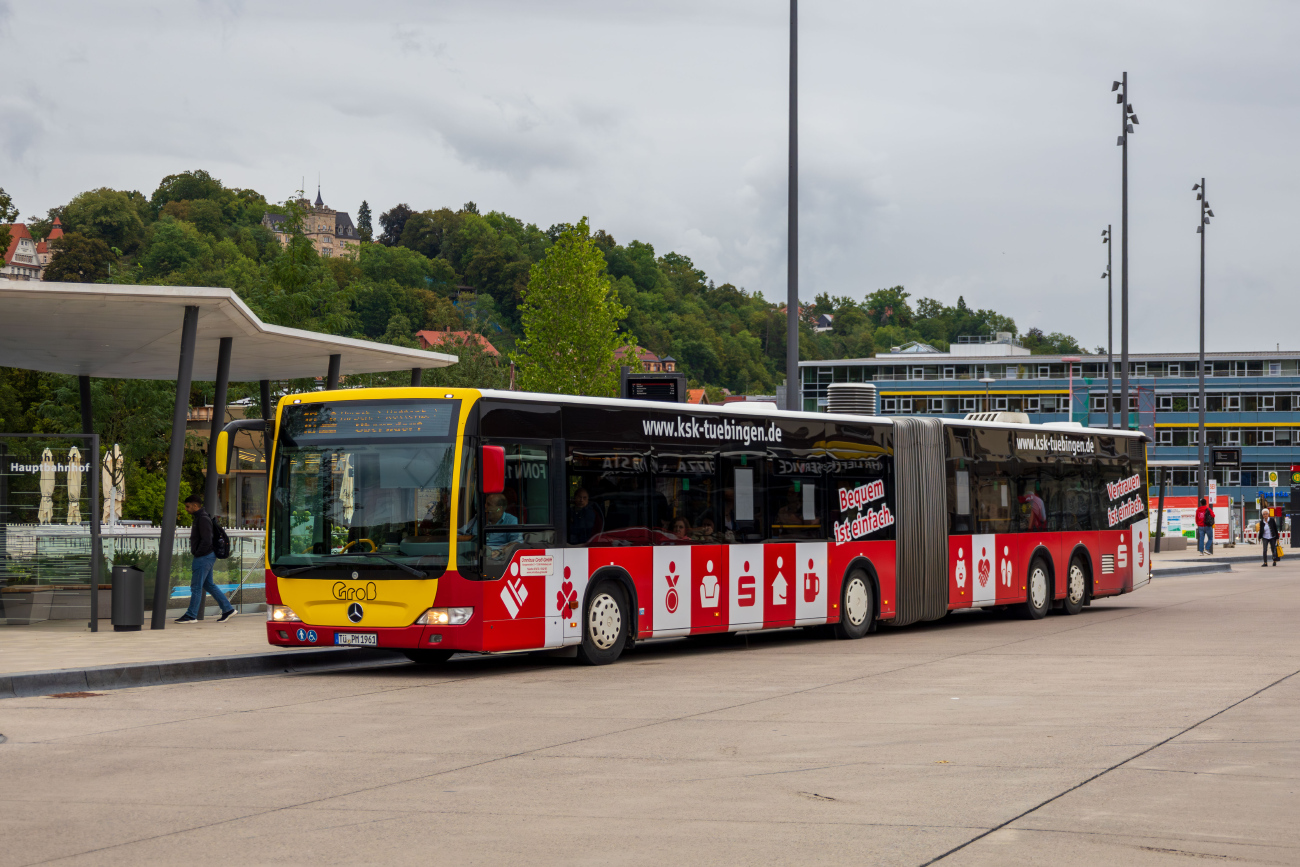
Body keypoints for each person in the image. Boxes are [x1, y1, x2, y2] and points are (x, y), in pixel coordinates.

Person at [174, 494, 236, 624]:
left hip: (204, 556)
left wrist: (198, 553)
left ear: (195, 506)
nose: (186, 509)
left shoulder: (202, 519)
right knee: (208, 585)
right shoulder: (201, 517)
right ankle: (228, 609)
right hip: (206, 555)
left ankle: (191, 615)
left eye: (188, 506)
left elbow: (207, 540)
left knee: (196, 587)